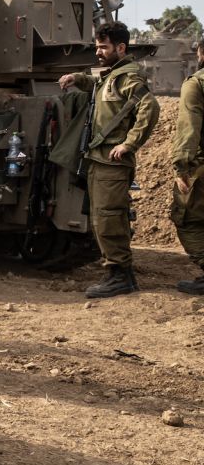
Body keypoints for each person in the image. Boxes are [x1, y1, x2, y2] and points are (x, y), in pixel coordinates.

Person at [58, 21, 160, 298]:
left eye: (104, 47)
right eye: (97, 47)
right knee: (103, 219)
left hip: (112, 162)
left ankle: (120, 276)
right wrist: (78, 78)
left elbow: (149, 108)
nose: (99, 52)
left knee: (109, 218)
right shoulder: (112, 76)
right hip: (100, 160)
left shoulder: (128, 78)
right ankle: (118, 273)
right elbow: (100, 90)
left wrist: (129, 143)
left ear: (121, 47)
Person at [171, 40, 204, 293]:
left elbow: (188, 128)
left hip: (200, 167)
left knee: (188, 219)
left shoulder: (196, 84)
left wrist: (182, 167)